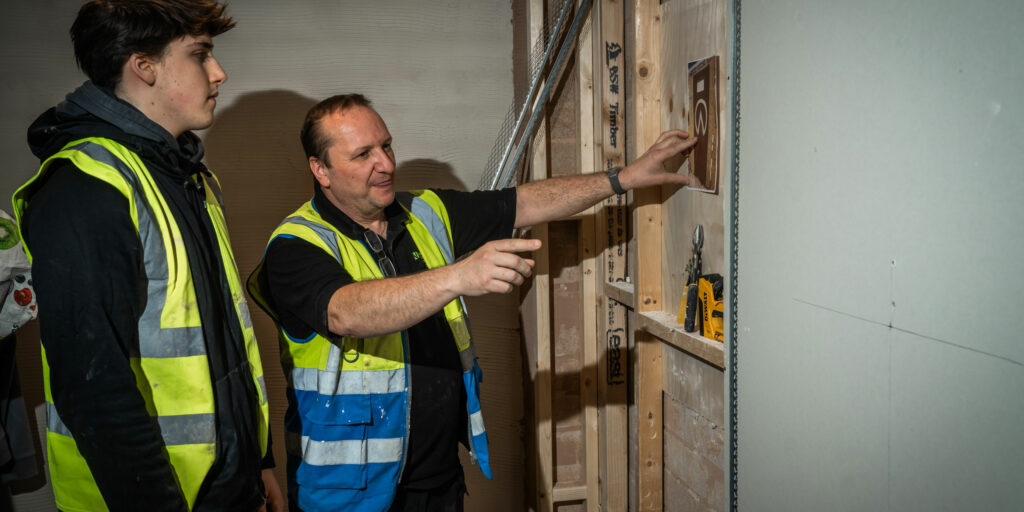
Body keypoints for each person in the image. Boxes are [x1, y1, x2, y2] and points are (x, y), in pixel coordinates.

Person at [247, 94, 696, 512]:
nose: (385, 164)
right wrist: (460, 275)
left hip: (436, 480)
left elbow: (525, 202)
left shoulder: (425, 212)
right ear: (320, 169)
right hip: (346, 493)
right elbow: (346, 311)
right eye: (362, 155)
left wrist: (624, 178)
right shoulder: (296, 244)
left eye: (386, 146)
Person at [10, 1, 282, 511]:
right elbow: (93, 388)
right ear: (144, 66)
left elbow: (221, 347)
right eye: (201, 54)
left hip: (227, 487)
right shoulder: (85, 188)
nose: (219, 73)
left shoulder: (188, 177)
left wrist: (257, 461)